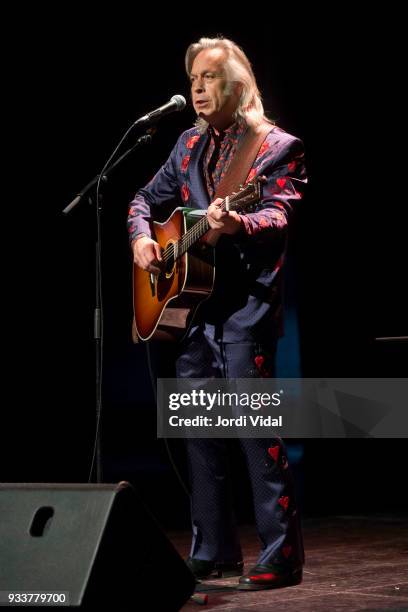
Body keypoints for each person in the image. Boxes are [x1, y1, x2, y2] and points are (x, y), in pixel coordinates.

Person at [127, 36, 306, 590]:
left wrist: (239, 223)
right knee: (200, 435)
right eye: (192, 79)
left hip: (245, 308)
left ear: (236, 84)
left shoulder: (274, 145)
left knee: (256, 435)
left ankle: (281, 553)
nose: (196, 89)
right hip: (193, 312)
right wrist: (142, 240)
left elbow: (279, 214)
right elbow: (141, 201)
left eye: (207, 78)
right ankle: (213, 548)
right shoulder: (186, 144)